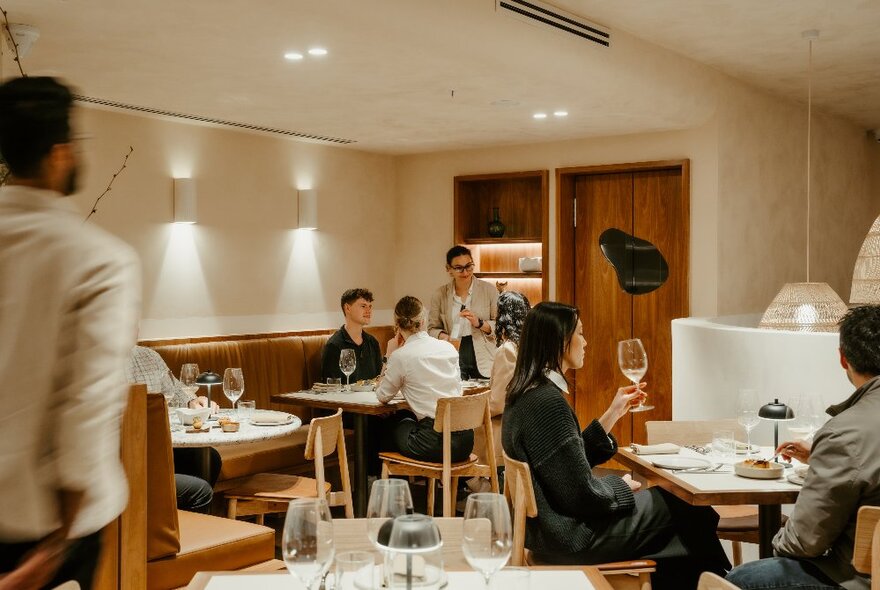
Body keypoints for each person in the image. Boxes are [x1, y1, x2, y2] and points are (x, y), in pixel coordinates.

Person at [0, 77, 141, 589]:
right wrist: (58, 544)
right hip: (46, 526)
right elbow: (87, 405)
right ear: (61, 153)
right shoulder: (99, 260)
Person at [502, 301, 730, 590]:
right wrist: (621, 487)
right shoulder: (548, 403)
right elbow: (581, 494)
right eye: (580, 334)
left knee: (680, 516)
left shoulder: (525, 393)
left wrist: (612, 414)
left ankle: (711, 580)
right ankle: (723, 582)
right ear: (561, 341)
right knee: (687, 508)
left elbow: (562, 465)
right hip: (572, 538)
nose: (585, 342)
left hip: (551, 533)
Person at [727, 306, 880, 590]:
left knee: (740, 580)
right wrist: (822, 456)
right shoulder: (847, 437)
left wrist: (778, 541)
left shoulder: (846, 432)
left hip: (862, 580)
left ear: (843, 358)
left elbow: (804, 542)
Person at [375, 296, 473, 462]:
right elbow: (458, 388)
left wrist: (388, 356)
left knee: (397, 424)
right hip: (465, 442)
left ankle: (393, 484)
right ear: (423, 320)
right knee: (408, 421)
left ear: (397, 326)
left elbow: (382, 395)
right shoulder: (448, 348)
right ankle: (452, 482)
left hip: (434, 443)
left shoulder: (400, 356)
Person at [125, 346, 220, 513]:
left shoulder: (149, 356)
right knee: (200, 490)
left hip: (155, 448)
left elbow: (175, 390)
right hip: (125, 458)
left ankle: (171, 523)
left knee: (208, 457)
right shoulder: (93, 362)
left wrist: (193, 401)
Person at [469, 290, 531, 493]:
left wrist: (474, 409)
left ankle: (481, 489)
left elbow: (498, 403)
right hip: (520, 422)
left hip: (502, 427)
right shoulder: (528, 347)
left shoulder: (507, 350)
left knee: (460, 433)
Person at [428, 245, 498, 380]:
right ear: (448, 269)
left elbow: (499, 326)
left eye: (469, 266)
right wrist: (445, 337)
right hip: (453, 350)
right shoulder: (440, 294)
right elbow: (432, 329)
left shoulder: (489, 290)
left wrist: (480, 323)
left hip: (484, 353)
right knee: (457, 395)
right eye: (459, 268)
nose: (465, 272)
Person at [321, 288, 383, 384]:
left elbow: (379, 379)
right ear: (347, 308)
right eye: (363, 306)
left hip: (372, 398)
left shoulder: (372, 342)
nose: (369, 310)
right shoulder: (334, 345)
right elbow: (332, 389)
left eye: (370, 306)